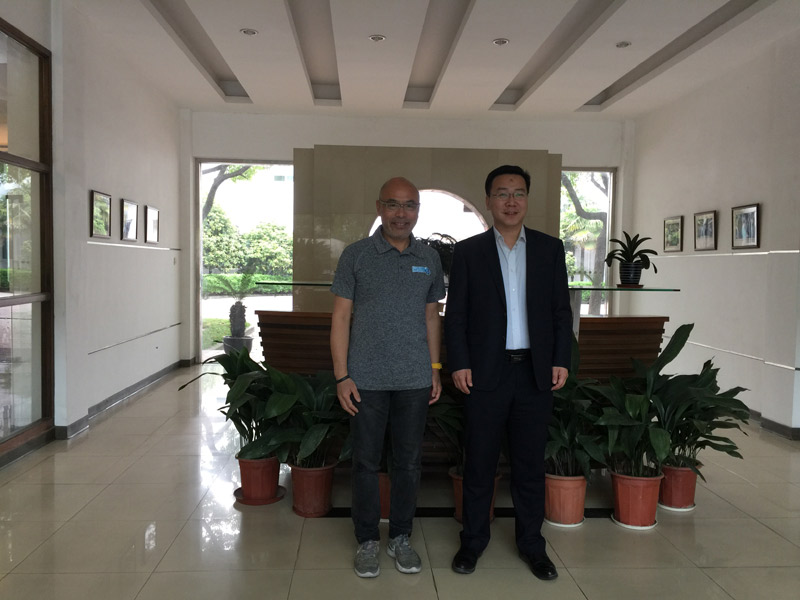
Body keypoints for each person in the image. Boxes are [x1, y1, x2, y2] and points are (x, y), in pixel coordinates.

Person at [444, 165, 572, 580]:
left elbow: (560, 311)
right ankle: (472, 542)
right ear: (488, 201)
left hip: (535, 374)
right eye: (502, 193)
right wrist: (459, 362)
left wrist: (561, 359)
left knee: (530, 467)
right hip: (485, 373)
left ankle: (532, 545)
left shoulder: (550, 250)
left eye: (518, 193)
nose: (511, 201)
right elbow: (456, 315)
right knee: (479, 464)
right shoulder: (469, 252)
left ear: (527, 200)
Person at [330, 176, 446, 579]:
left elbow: (432, 316)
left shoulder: (428, 257)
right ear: (379, 208)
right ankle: (366, 540)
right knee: (365, 463)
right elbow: (340, 317)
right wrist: (342, 376)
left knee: (409, 463)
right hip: (365, 380)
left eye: (410, 205)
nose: (401, 213)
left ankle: (400, 537)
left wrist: (434, 369)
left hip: (414, 378)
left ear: (418, 210)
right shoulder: (356, 255)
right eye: (393, 205)